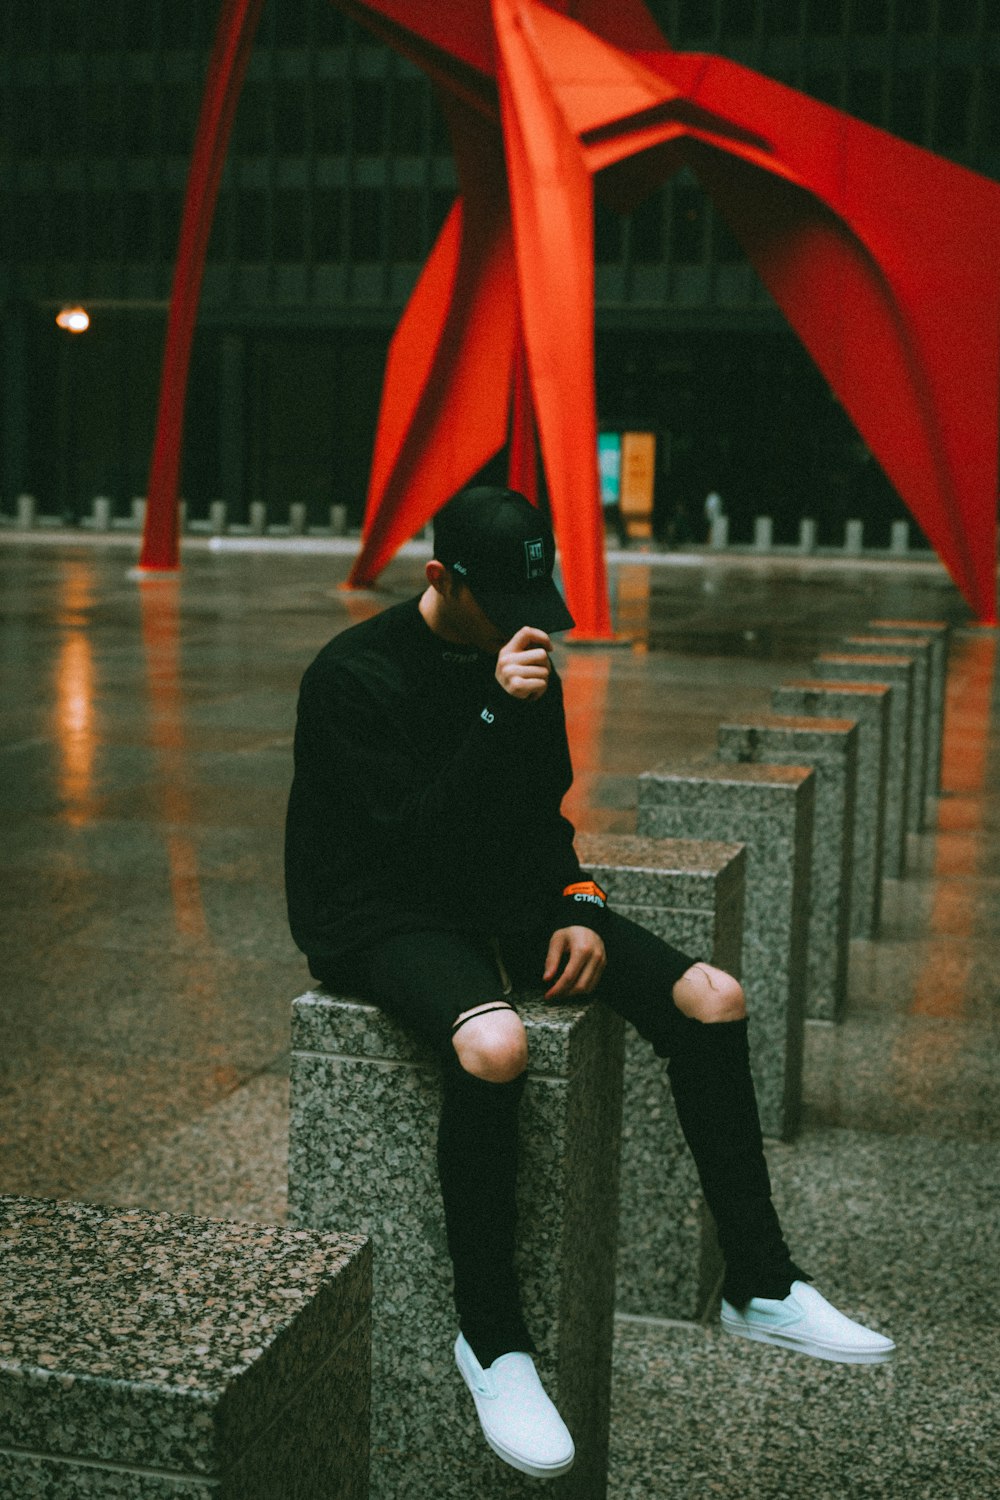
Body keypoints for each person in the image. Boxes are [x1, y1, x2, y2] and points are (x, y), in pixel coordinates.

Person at [284, 485, 894, 1481]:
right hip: (377, 910)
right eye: (507, 604)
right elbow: (404, 846)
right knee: (495, 1042)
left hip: (500, 889)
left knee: (711, 996)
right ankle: (492, 1341)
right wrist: (493, 705)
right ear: (442, 580)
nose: (531, 627)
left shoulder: (525, 659)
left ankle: (760, 1282)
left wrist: (575, 899)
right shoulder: (352, 677)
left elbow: (542, 819)